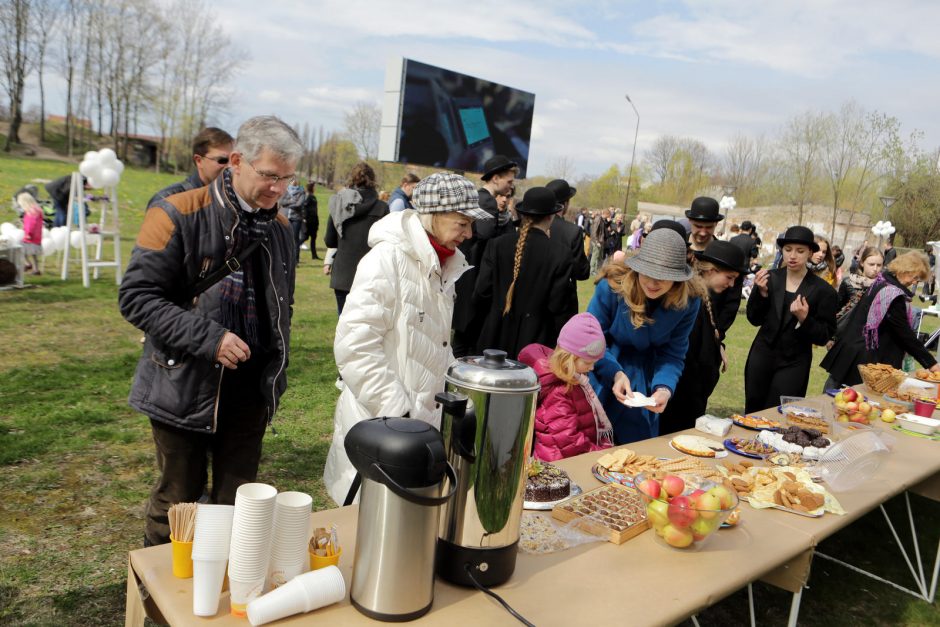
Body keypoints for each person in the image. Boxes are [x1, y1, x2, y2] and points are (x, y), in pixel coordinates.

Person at [118, 115, 302, 546]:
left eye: (288, 179)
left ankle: (222, 593)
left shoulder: (281, 229)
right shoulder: (176, 211)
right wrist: (210, 339)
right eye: (270, 176)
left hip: (250, 387)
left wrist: (275, 369)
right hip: (183, 381)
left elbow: (281, 307)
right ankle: (160, 603)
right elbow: (137, 297)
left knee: (238, 505)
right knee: (178, 503)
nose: (278, 189)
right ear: (236, 161)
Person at [323, 172, 490, 504]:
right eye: (462, 223)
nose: (469, 233)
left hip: (418, 426)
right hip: (383, 427)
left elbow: (432, 341)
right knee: (371, 530)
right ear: (432, 216)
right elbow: (355, 346)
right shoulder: (386, 260)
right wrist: (397, 415)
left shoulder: (446, 265)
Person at [587, 228, 700, 443]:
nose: (653, 283)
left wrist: (664, 388)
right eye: (647, 273)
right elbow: (592, 338)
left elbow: (673, 354)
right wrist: (616, 373)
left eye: (663, 277)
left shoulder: (689, 301)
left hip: (644, 380)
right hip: (602, 369)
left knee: (635, 450)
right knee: (593, 443)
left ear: (677, 279)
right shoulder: (612, 287)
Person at [744, 226, 837, 413]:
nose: (792, 256)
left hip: (794, 362)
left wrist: (805, 319)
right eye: (788, 250)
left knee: (780, 414)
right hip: (761, 357)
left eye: (800, 251)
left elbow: (824, 335)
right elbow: (754, 319)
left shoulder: (823, 290)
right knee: (753, 410)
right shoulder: (770, 279)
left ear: (810, 252)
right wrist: (760, 294)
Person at [658, 241, 747, 435]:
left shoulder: (704, 297)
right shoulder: (687, 301)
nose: (731, 284)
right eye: (729, 277)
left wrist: (718, 346)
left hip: (691, 395)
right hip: (679, 396)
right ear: (711, 271)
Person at [475, 187, 573, 358]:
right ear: (551, 217)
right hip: (536, 345)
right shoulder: (559, 254)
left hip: (494, 338)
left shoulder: (497, 245)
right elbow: (559, 307)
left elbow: (482, 292)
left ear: (523, 215)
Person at [821, 252, 939, 388]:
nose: (914, 282)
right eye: (915, 277)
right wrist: (931, 363)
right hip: (864, 360)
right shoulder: (892, 294)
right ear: (904, 270)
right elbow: (904, 334)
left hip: (853, 352)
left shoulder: (881, 282)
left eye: (918, 280)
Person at [517, 313, 614, 461]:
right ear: (569, 358)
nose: (592, 368)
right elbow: (570, 441)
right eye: (588, 363)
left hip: (574, 460)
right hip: (560, 468)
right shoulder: (558, 392)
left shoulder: (575, 380)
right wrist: (601, 455)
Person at [452, 155, 517, 357]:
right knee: (466, 339)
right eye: (509, 181)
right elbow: (487, 240)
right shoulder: (485, 202)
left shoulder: (482, 200)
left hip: (470, 277)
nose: (510, 186)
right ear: (495, 178)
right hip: (474, 279)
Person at [323, 162, 389, 314]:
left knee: (344, 325)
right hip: (371, 276)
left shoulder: (339, 204)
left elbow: (330, 240)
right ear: (373, 181)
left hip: (343, 274)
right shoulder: (382, 208)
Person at [147, 127, 234, 207]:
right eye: (222, 160)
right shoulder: (167, 200)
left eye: (233, 160)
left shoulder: (233, 199)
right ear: (199, 161)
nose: (230, 166)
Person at [546, 178, 591, 311]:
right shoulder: (572, 231)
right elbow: (582, 272)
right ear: (565, 204)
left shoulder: (530, 227)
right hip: (562, 303)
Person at [280, 181, 307, 263]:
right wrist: (292, 201)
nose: (293, 182)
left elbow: (299, 204)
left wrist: (287, 204)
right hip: (284, 217)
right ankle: (284, 258)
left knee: (295, 239)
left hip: (296, 218)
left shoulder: (301, 192)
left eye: (294, 180)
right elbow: (281, 202)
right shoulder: (285, 190)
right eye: (291, 180)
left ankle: (295, 260)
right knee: (283, 238)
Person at [18, 192, 43, 275]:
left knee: (20, 249)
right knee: (33, 253)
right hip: (37, 236)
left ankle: (27, 264)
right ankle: (36, 269)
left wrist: (28, 233)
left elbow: (31, 224)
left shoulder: (31, 212)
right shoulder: (37, 210)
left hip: (30, 236)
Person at [300, 182, 319, 260]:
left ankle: (314, 255)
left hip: (314, 220)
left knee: (313, 237)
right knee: (305, 237)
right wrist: (304, 218)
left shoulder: (313, 196)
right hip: (308, 221)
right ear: (311, 187)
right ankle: (293, 247)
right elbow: (304, 207)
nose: (315, 188)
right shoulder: (308, 196)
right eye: (314, 186)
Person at [589, 207, 609, 275]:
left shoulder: (602, 220)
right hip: (596, 241)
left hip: (600, 241)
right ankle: (591, 271)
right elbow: (594, 231)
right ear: (605, 214)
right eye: (607, 215)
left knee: (600, 256)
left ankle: (598, 270)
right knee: (595, 255)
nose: (607, 217)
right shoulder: (598, 219)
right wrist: (596, 241)